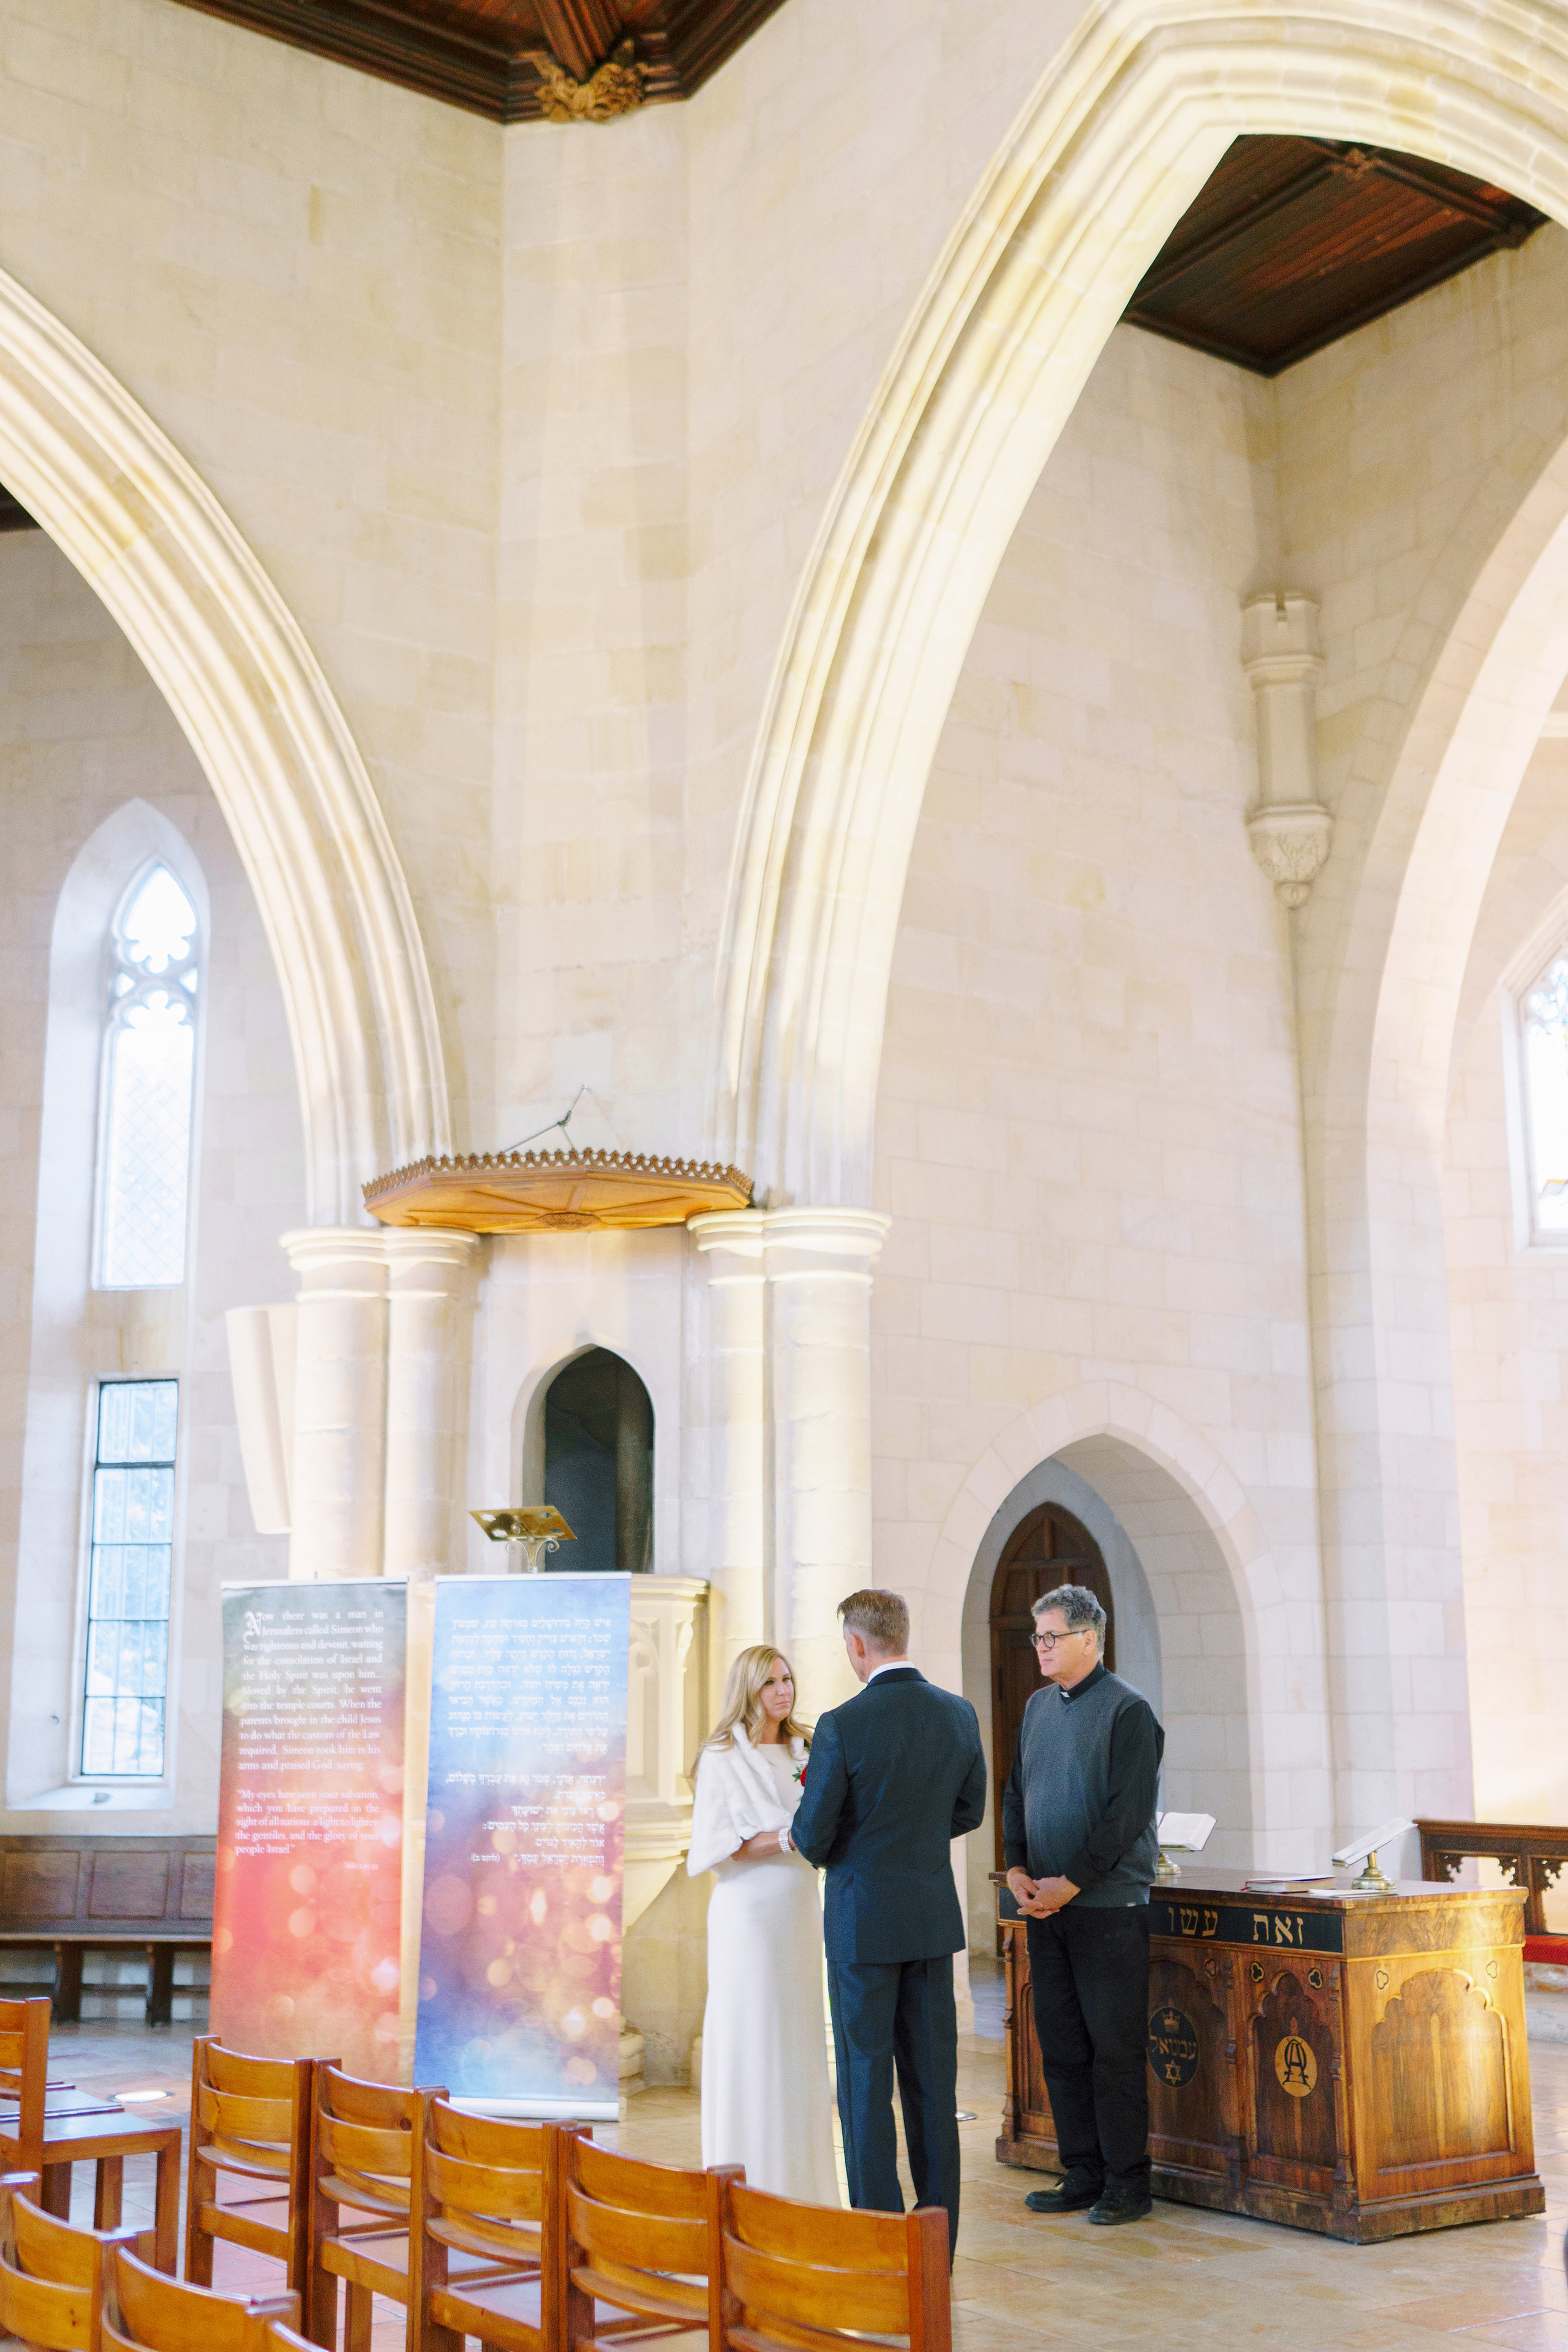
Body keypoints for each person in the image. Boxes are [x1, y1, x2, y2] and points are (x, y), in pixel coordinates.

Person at [786, 1589, 986, 2260]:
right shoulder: (958, 1715)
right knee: (933, 2087)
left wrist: (852, 1842)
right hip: (929, 1921)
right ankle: (935, 2252)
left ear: (856, 1644)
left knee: (866, 2086)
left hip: (862, 1925)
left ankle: (878, 2250)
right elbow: (969, 1811)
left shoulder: (842, 1723)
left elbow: (811, 1837)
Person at [1002, 1581, 1164, 2227]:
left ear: (1089, 1638)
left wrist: (1072, 1881)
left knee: (1114, 2049)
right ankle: (1082, 2171)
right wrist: (1016, 1866)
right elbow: (1018, 1790)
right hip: (1046, 1906)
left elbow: (1126, 1815)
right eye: (1036, 1637)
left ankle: (1128, 2182)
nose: (1040, 1647)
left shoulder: (1129, 1712)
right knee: (1063, 2044)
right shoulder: (1039, 1707)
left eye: (1052, 1636)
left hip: (1108, 1909)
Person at [687, 1644, 839, 2203]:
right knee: (751, 2033)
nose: (783, 1690)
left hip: (799, 1906)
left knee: (795, 2035)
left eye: (788, 1679)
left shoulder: (809, 1748)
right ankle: (745, 2180)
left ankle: (800, 2185)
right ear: (749, 1691)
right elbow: (719, 1849)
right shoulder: (722, 1756)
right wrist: (787, 1837)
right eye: (771, 1682)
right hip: (747, 1914)